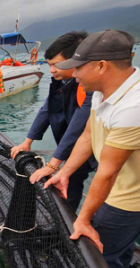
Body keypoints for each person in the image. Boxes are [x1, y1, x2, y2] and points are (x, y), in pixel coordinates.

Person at [44, 30, 140, 268]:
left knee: (101, 255)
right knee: (119, 249)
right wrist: (65, 171)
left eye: (78, 68)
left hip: (135, 194)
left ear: (101, 66)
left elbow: (107, 172)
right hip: (121, 184)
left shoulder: (139, 105)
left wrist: (84, 218)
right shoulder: (103, 90)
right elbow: (88, 134)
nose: (73, 74)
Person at [10, 31, 96, 212]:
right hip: (77, 146)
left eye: (56, 65)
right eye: (49, 65)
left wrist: (53, 164)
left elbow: (78, 125)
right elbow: (47, 109)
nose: (52, 70)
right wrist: (27, 142)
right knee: (73, 180)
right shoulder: (63, 82)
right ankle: (67, 215)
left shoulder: (92, 87)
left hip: (95, 146)